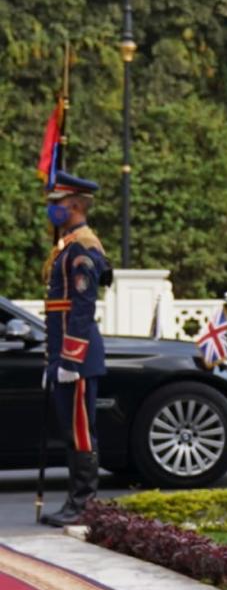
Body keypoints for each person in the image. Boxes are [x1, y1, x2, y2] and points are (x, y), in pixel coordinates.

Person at [40, 171, 111, 528]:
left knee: (82, 431)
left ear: (75, 205)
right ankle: (77, 500)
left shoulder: (82, 248)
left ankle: (84, 504)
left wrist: (69, 357)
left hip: (78, 358)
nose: (52, 209)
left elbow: (82, 307)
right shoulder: (69, 245)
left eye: (57, 204)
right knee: (72, 430)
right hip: (66, 356)